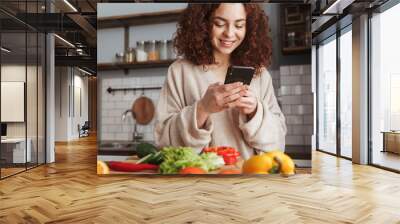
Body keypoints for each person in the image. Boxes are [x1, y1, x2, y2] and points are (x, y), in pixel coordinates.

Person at [154, 3, 286, 160]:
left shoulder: (260, 74)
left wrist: (255, 111)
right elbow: (163, 140)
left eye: (239, 25)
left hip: (249, 178)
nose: (229, 33)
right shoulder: (180, 71)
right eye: (219, 24)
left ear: (249, 28)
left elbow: (279, 142)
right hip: (198, 180)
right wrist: (202, 109)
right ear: (203, 23)